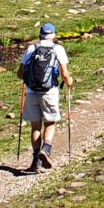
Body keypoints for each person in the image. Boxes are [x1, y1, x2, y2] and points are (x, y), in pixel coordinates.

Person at [18, 22, 72, 172]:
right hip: (49, 92)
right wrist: (69, 82)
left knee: (35, 126)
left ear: (40, 34)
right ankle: (46, 149)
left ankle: (36, 162)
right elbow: (64, 73)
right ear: (53, 35)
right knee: (49, 123)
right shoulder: (58, 49)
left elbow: (20, 73)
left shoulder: (32, 48)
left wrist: (28, 78)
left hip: (31, 92)